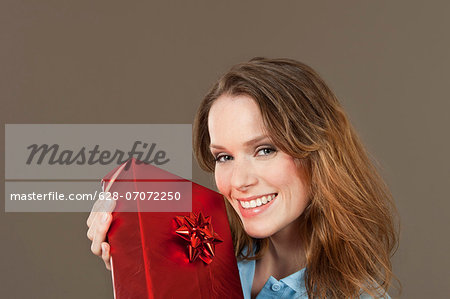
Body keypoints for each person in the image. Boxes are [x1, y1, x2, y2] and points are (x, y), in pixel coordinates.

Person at [87, 57, 399, 298]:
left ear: (317, 153)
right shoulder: (203, 264)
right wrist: (136, 275)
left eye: (265, 150)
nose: (239, 181)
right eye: (224, 157)